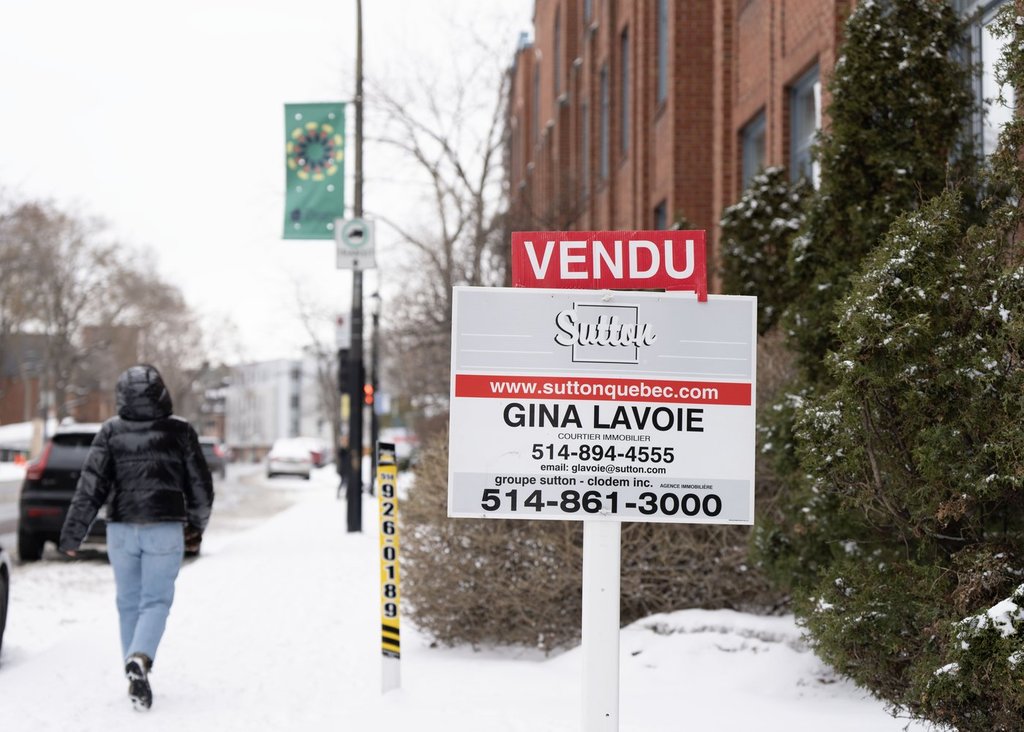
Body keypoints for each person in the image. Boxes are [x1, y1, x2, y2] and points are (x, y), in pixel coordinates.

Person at [59, 364, 214, 712]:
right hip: (164, 529)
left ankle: (133, 670)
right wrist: (196, 526)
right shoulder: (181, 432)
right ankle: (140, 660)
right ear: (162, 393)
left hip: (122, 530)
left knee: (128, 602)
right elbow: (201, 487)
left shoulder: (110, 432)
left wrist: (72, 535)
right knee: (155, 602)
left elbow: (90, 488)